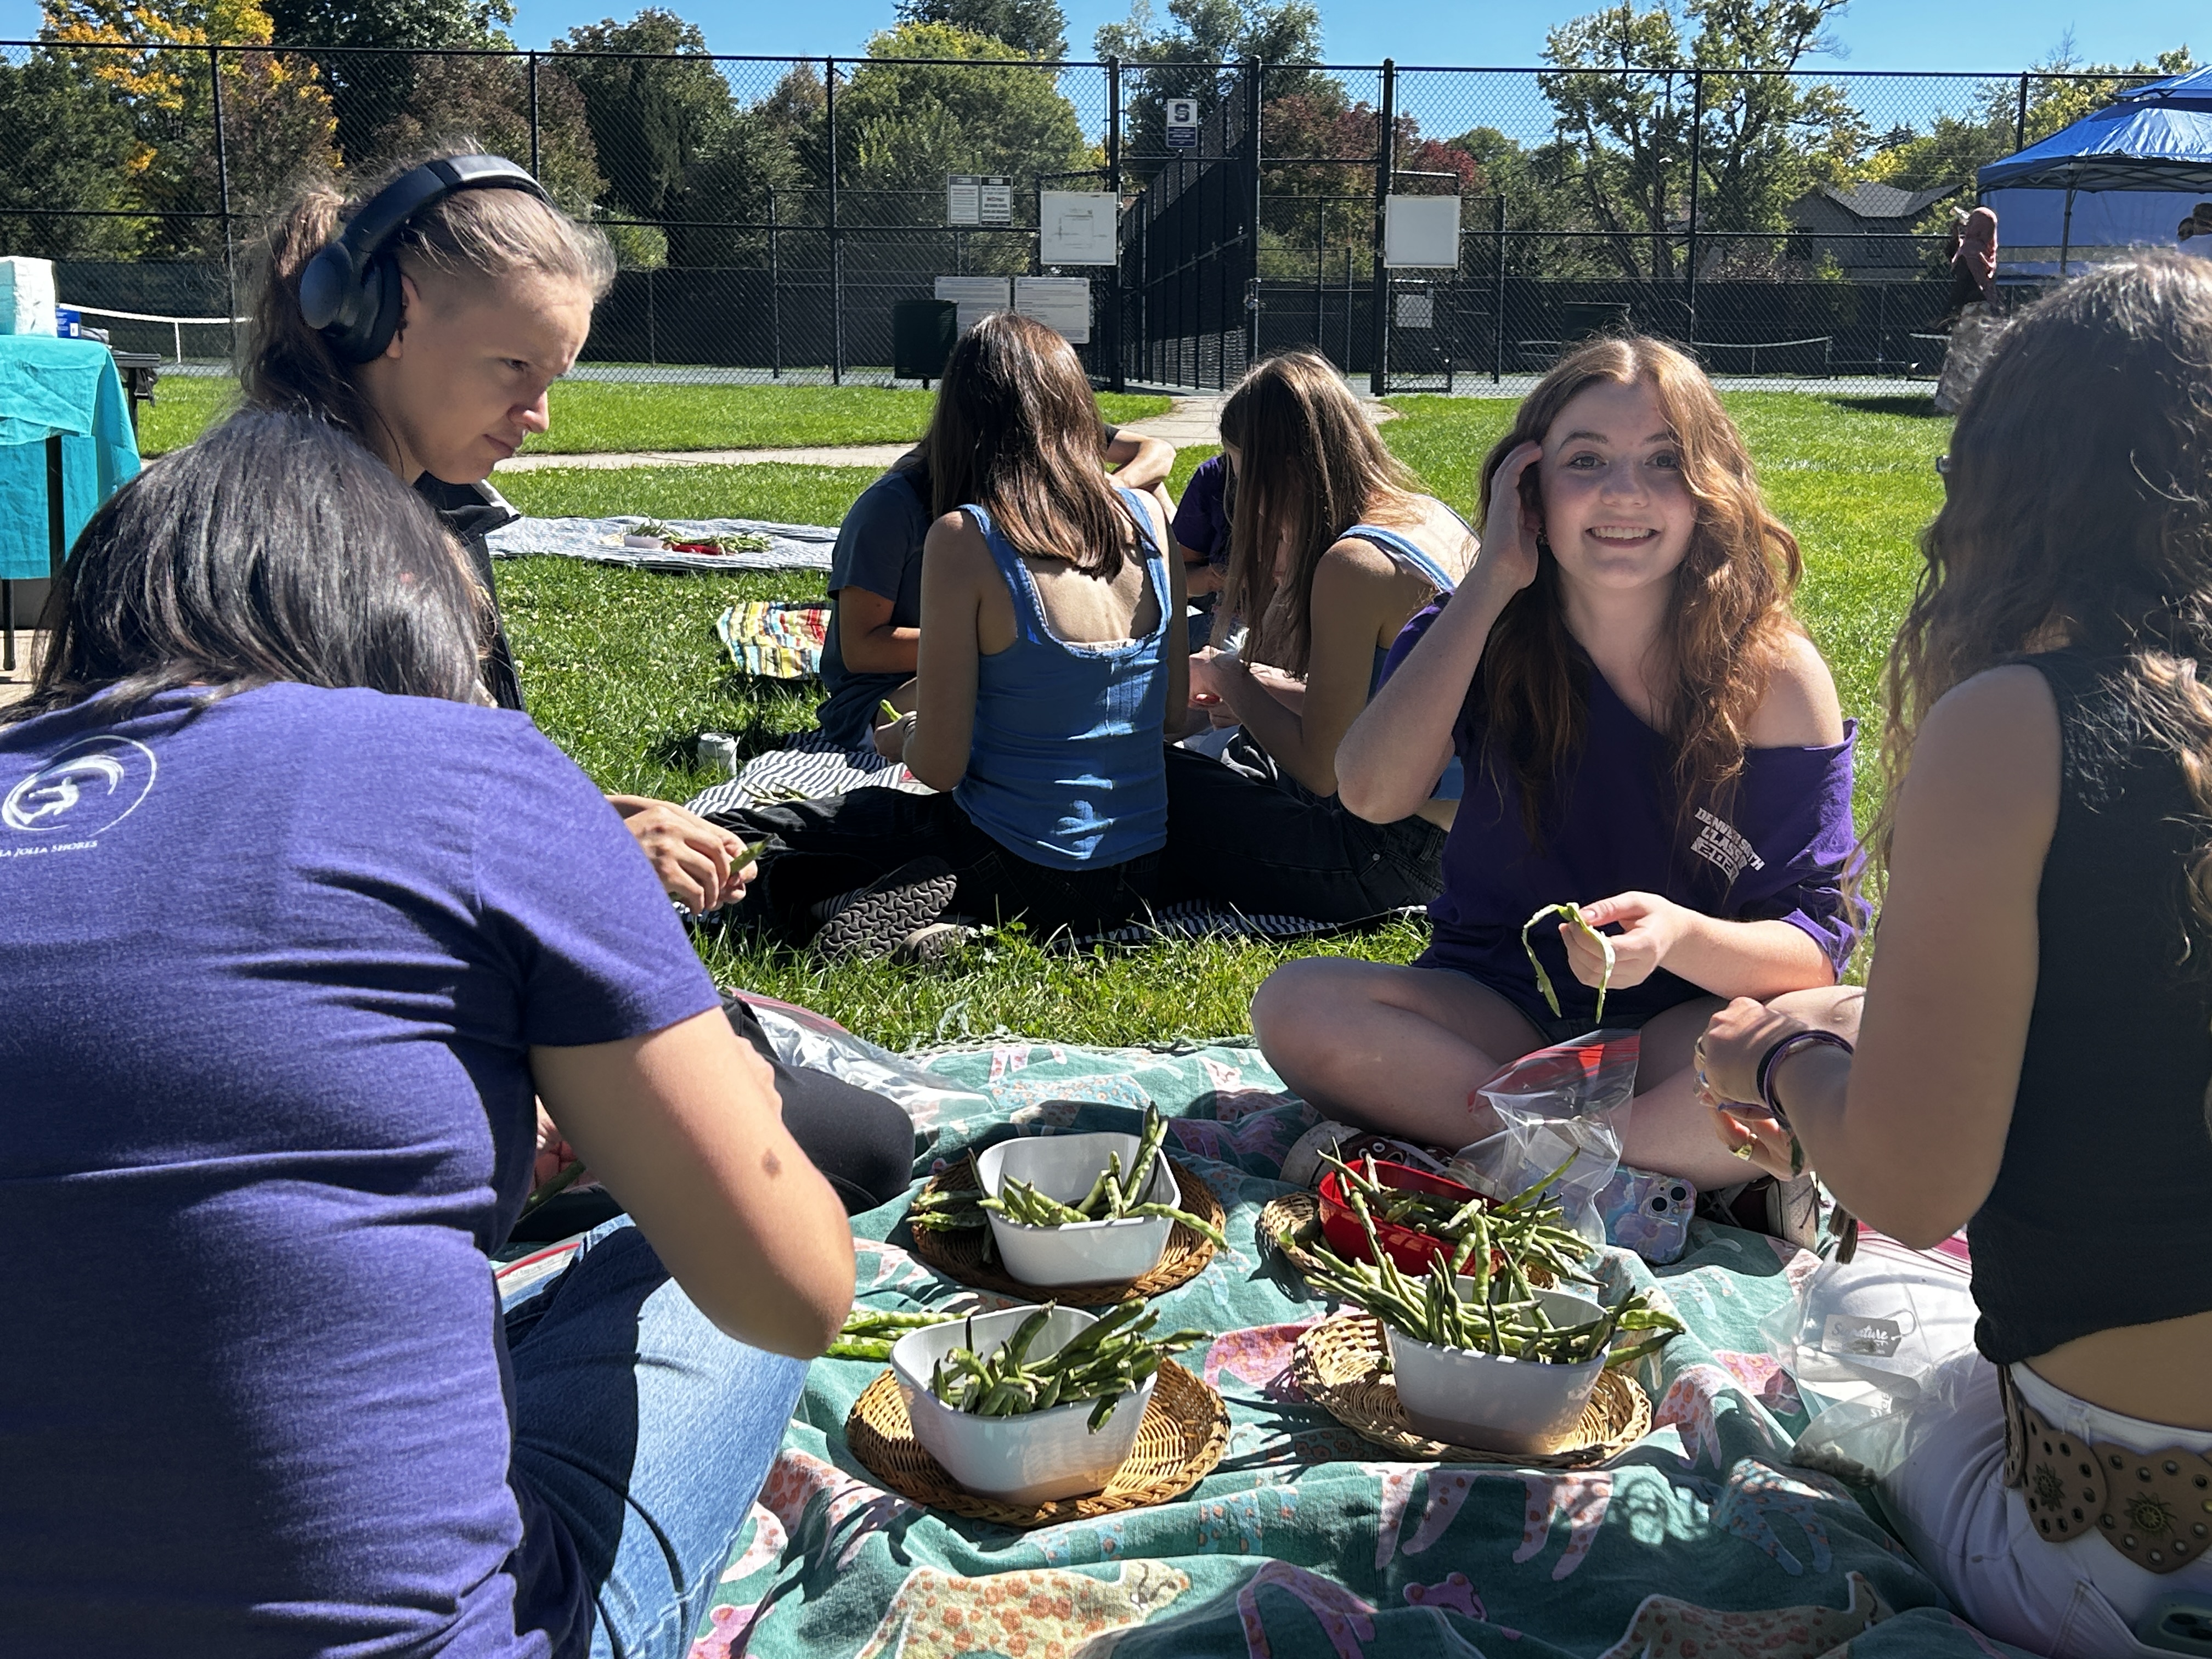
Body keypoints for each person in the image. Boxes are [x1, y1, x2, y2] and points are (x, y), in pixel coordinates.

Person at [0, 411, 855, 1657]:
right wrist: (726, 1081)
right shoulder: (473, 769)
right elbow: (796, 1296)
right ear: (399, 607)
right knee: (679, 1276)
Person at [1696, 253, 2212, 1655]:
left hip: (2133, 1561)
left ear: (2003, 487)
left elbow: (1920, 1187)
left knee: (1866, 1295)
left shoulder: (2023, 725)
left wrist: (1787, 1053)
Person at [239, 148, 915, 1215]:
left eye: (554, 379)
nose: (539, 415)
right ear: (390, 315)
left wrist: (591, 820)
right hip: (378, 1043)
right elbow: (305, 874)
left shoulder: (414, 504)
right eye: (515, 369)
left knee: (829, 1121)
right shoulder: (292, 545)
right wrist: (578, 864)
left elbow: (426, 787)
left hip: (474, 987)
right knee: (861, 1158)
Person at [1251, 336, 1858, 1193]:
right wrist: (1492, 580)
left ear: (1710, 489)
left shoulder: (1774, 674)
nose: (1624, 493)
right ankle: (1646, 1164)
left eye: (1663, 461)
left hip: (1678, 1037)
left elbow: (1809, 957)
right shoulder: (1476, 627)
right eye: (1586, 460)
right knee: (1297, 1005)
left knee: (1849, 1031)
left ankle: (1539, 1154)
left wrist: (1678, 936)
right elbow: (1371, 791)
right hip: (1496, 1013)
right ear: (1527, 486)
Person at [710, 312, 1186, 959]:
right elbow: (1172, 716)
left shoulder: (967, 538)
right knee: (891, 835)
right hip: (1136, 873)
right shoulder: (1153, 514)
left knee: (762, 834)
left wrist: (901, 733)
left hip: (1014, 857)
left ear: (961, 418)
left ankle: (880, 908)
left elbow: (939, 765)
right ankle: (956, 927)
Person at [1156, 349, 1477, 923]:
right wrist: (1260, 687)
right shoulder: (1428, 516)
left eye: (1241, 474)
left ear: (1281, 471)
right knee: (1237, 762)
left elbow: (1324, 768)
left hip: (1381, 857)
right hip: (1460, 844)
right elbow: (1382, 713)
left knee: (1158, 782)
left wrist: (1230, 676)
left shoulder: (1354, 564)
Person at [814, 415, 1176, 749]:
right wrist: (991, 640)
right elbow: (861, 650)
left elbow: (1158, 452)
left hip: (994, 664)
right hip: (885, 699)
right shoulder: (891, 508)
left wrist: (1111, 490)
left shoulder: (1042, 451)